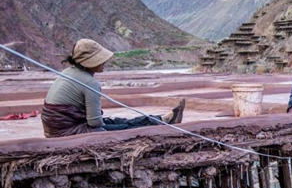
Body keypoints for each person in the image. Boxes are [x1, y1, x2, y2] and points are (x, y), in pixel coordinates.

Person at [41, 39, 185, 138]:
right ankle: (159, 124)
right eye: (100, 59)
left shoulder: (68, 72)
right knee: (122, 128)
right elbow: (95, 123)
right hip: (66, 131)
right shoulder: (90, 82)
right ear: (88, 63)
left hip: (56, 128)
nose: (104, 62)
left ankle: (160, 119)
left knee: (116, 121)